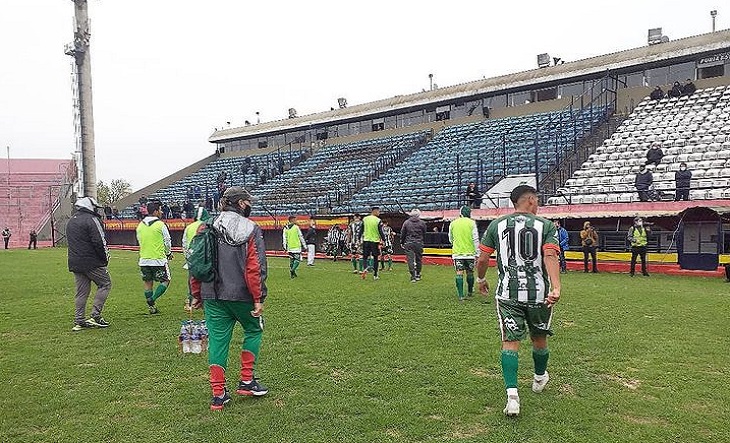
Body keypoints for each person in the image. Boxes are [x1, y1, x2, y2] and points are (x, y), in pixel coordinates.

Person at [475, 185, 561, 417]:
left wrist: (481, 279)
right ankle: (539, 377)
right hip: (539, 294)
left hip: (508, 294)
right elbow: (550, 255)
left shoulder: (496, 225)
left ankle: (512, 396)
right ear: (531, 200)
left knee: (510, 341)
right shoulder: (546, 225)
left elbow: (483, 258)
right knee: (539, 339)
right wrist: (556, 286)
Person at [190, 186, 269, 410]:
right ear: (242, 203)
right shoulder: (251, 228)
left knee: (217, 340)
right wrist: (258, 297)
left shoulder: (206, 227)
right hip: (242, 295)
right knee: (254, 330)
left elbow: (197, 263)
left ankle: (218, 394)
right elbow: (255, 267)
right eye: (248, 201)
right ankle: (246, 380)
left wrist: (195, 293)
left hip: (212, 295)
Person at [66, 197, 112, 331]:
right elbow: (100, 241)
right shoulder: (92, 220)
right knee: (105, 283)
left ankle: (79, 320)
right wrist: (105, 258)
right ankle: (95, 316)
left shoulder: (71, 221)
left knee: (81, 292)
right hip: (92, 261)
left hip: (75, 261)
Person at [136, 200, 172, 314]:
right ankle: (153, 299)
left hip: (144, 260)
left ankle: (152, 307)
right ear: (156, 211)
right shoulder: (160, 225)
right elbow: (167, 240)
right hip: (158, 260)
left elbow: (139, 240)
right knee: (166, 280)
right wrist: (168, 253)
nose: (161, 212)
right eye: (160, 210)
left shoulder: (140, 225)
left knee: (148, 283)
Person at [448, 206, 479, 301]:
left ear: (460, 213)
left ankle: (461, 295)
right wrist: (477, 253)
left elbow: (450, 238)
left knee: (459, 273)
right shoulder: (472, 223)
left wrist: (455, 244)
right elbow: (475, 239)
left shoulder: (453, 223)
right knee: (470, 272)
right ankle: (470, 291)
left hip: (458, 253)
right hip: (470, 253)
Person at [182, 206, 210, 311]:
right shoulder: (208, 225)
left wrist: (188, 258)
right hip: (205, 259)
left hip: (192, 259)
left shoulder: (189, 227)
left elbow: (184, 243)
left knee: (192, 281)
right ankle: (205, 302)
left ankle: (191, 301)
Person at [401, 208, 427, 282]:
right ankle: (418, 274)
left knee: (410, 260)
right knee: (419, 259)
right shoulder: (422, 223)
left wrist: (402, 242)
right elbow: (424, 233)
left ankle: (413, 276)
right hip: (419, 242)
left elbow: (403, 233)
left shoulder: (406, 223)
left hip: (409, 243)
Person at [359, 206, 385, 280]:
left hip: (366, 240)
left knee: (365, 256)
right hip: (374, 241)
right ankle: (375, 275)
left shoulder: (365, 219)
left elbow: (361, 230)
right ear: (374, 211)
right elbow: (380, 231)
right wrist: (384, 240)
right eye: (378, 211)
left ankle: (365, 268)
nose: (379, 213)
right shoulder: (378, 220)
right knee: (376, 258)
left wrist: (358, 238)